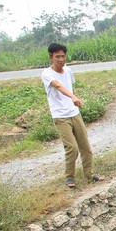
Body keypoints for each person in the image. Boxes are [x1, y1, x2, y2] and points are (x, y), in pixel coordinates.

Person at [41, 42, 102, 189]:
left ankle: (89, 174)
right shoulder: (47, 74)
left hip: (74, 113)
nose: (61, 59)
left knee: (85, 147)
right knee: (72, 148)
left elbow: (69, 86)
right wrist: (73, 97)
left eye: (63, 56)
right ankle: (69, 177)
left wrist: (74, 99)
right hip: (60, 116)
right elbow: (58, 86)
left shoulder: (68, 71)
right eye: (57, 57)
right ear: (51, 57)